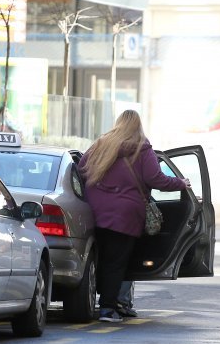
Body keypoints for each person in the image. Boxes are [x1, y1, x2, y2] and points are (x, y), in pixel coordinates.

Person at [78, 110, 189, 323]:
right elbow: (155, 179)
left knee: (97, 259)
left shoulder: (101, 144)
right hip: (125, 215)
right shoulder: (142, 148)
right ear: (138, 126)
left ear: (118, 123)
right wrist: (181, 183)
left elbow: (81, 168)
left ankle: (95, 302)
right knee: (116, 262)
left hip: (95, 211)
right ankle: (108, 309)